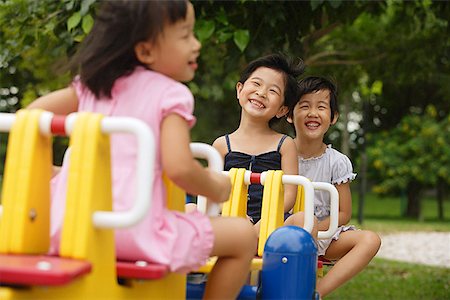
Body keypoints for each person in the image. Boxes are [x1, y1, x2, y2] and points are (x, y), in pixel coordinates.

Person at [27, 1, 257, 298]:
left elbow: (31, 117)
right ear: (146, 50)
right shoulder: (171, 94)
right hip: (135, 234)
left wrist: (55, 173)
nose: (196, 44)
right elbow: (180, 167)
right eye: (186, 35)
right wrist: (217, 187)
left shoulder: (91, 87)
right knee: (243, 236)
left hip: (70, 228)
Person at [287, 76, 381, 298]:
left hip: (323, 234)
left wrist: (315, 229)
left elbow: (344, 213)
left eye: (321, 107)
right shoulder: (280, 153)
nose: (313, 113)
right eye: (304, 106)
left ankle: (316, 294)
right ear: (289, 114)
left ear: (333, 117)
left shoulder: (337, 161)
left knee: (370, 240)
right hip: (285, 229)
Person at [213, 54, 318, 238]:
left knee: (304, 219)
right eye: (256, 83)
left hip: (271, 222)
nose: (261, 93)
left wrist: (264, 221)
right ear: (239, 89)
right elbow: (214, 190)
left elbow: (289, 196)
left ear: (282, 109)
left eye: (273, 91)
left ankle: (251, 241)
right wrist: (234, 214)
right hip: (229, 220)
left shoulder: (284, 145)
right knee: (190, 209)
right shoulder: (221, 145)